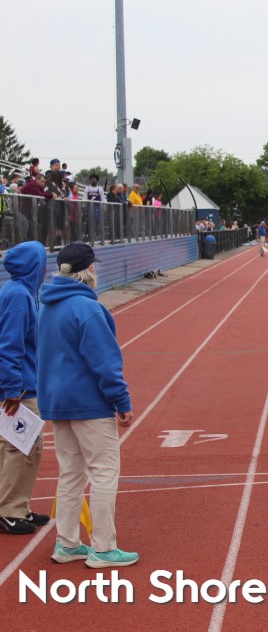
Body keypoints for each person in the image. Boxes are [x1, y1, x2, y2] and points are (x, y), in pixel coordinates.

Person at [38, 242, 138, 566]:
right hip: (89, 404)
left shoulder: (46, 307)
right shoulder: (88, 309)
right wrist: (121, 401)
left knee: (70, 473)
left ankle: (67, 544)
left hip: (57, 403)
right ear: (88, 270)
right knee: (104, 472)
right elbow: (105, 362)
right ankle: (104, 548)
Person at [0, 242, 51, 535]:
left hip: (17, 384)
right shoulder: (19, 296)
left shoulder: (14, 290)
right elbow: (10, 345)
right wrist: (12, 388)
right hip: (18, 390)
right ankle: (10, 510)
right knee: (25, 446)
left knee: (10, 447)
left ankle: (16, 505)